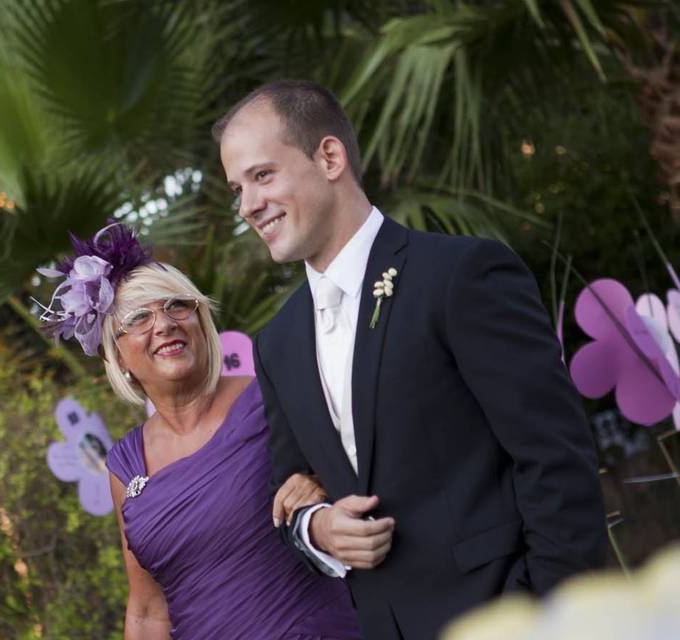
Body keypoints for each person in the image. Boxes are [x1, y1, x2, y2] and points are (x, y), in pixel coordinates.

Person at [213, 79, 607, 639]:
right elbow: (292, 495)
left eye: (262, 175)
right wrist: (319, 528)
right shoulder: (277, 344)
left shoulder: (461, 275)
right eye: (237, 189)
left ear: (329, 157)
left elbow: (556, 460)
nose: (248, 205)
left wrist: (548, 619)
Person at [36, 222, 362, 639]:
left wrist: (322, 481)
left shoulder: (271, 393)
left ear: (200, 318)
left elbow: (363, 465)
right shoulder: (125, 465)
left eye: (176, 305)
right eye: (138, 317)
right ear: (116, 355)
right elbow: (147, 609)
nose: (164, 323)